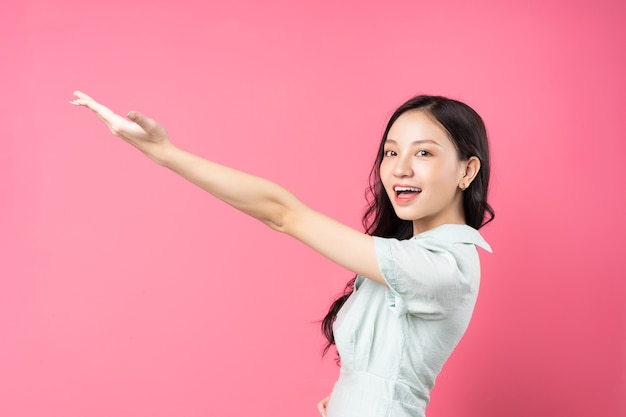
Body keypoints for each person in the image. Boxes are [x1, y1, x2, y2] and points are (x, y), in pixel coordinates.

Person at [71, 91, 494, 417]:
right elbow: (391, 370)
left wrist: (166, 153)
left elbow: (282, 213)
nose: (400, 168)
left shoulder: (444, 267)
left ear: (467, 170)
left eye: (423, 152)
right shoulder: (406, 258)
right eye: (391, 152)